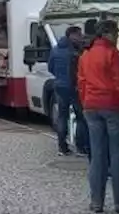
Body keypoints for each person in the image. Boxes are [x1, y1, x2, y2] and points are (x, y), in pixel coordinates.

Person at [77, 20, 119, 214]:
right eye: (116, 34)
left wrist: (86, 103)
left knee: (97, 155)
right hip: (112, 106)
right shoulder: (113, 54)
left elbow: (81, 82)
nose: (118, 37)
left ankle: (96, 203)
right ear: (107, 34)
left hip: (91, 107)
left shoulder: (86, 54)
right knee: (117, 154)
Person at [49, 25, 89, 156]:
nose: (81, 37)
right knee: (81, 117)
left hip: (59, 85)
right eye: (78, 34)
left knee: (62, 116)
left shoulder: (55, 49)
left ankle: (62, 146)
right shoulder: (75, 51)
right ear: (71, 35)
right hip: (74, 87)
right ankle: (80, 146)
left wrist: (59, 77)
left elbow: (51, 68)